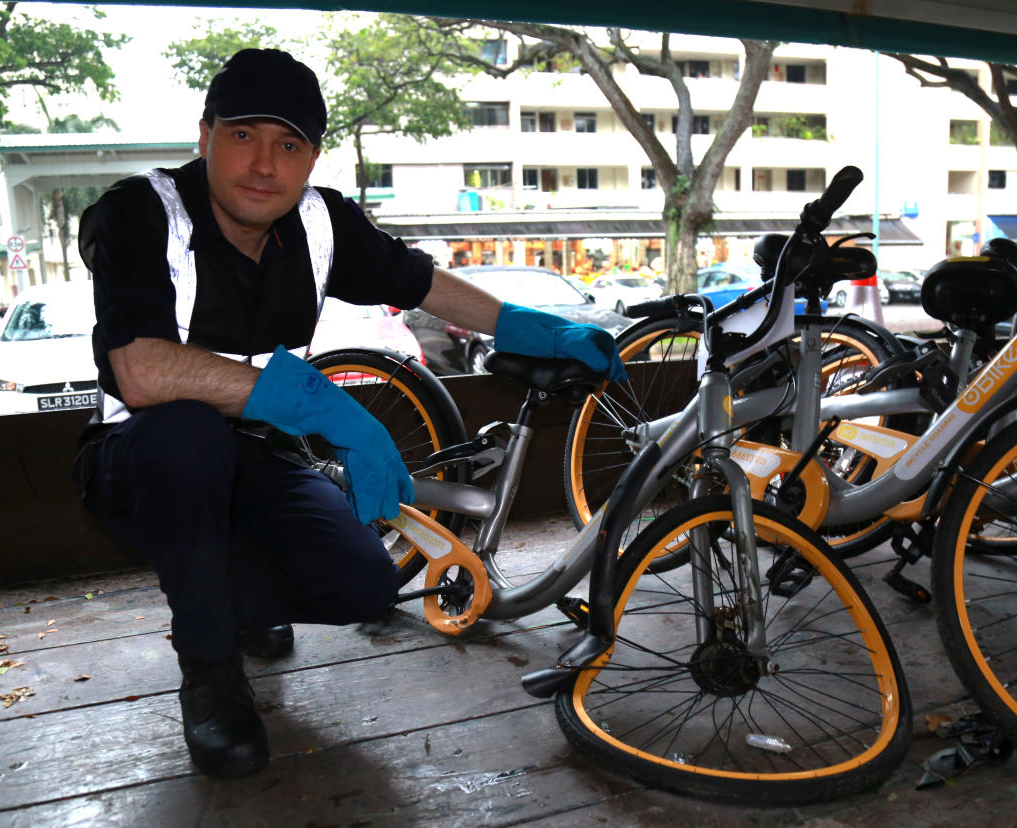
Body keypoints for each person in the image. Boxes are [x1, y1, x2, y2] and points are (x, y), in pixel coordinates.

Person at [72, 48, 624, 780]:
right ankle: (209, 669)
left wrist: (531, 326)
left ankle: (227, 590)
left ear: (311, 158)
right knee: (187, 438)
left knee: (364, 585)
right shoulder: (141, 213)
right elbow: (139, 370)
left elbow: (421, 282)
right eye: (243, 135)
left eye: (288, 144)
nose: (264, 164)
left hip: (259, 454)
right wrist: (327, 408)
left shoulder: (320, 220)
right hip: (138, 458)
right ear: (204, 134)